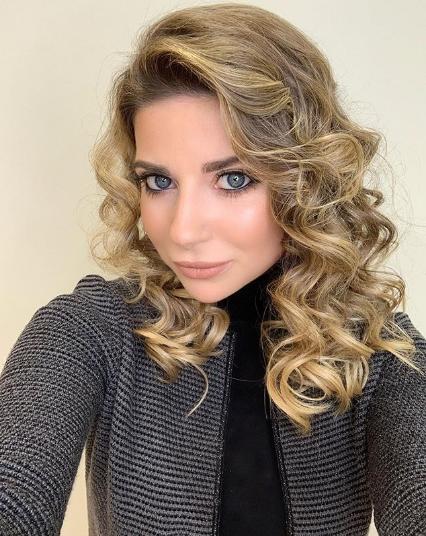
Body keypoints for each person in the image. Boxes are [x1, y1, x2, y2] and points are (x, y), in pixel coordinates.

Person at [1, 3, 425, 535]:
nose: (182, 231)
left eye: (233, 179)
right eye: (159, 182)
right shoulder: (90, 331)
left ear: (304, 180)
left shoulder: (379, 354)